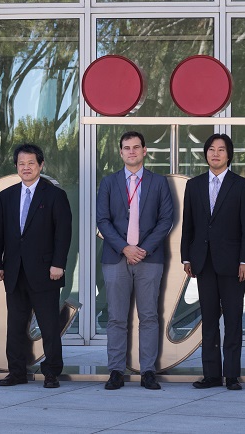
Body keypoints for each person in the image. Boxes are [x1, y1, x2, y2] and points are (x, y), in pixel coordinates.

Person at [0, 143, 72, 389]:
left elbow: (63, 234)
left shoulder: (55, 195)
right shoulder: (6, 196)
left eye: (31, 163)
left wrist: (59, 264)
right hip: (14, 271)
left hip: (46, 272)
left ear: (41, 165)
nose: (26, 168)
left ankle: (51, 372)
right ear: (16, 166)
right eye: (21, 164)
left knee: (48, 326)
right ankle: (16, 371)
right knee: (15, 325)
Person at [96, 131, 173, 390]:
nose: (131, 151)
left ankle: (148, 371)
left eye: (136, 147)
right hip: (116, 257)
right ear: (120, 152)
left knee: (149, 316)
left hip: (149, 259)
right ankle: (116, 371)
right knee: (117, 317)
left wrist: (142, 249)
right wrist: (125, 248)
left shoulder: (159, 182)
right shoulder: (108, 182)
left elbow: (166, 220)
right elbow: (102, 221)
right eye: (126, 148)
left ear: (144, 151)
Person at [181, 133, 245, 391]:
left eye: (221, 150)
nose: (215, 153)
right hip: (203, 264)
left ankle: (232, 375)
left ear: (229, 155)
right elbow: (188, 225)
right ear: (206, 154)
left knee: (234, 320)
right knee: (209, 321)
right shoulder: (194, 185)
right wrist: (187, 256)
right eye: (211, 149)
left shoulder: (242, 186)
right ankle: (211, 374)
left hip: (234, 265)